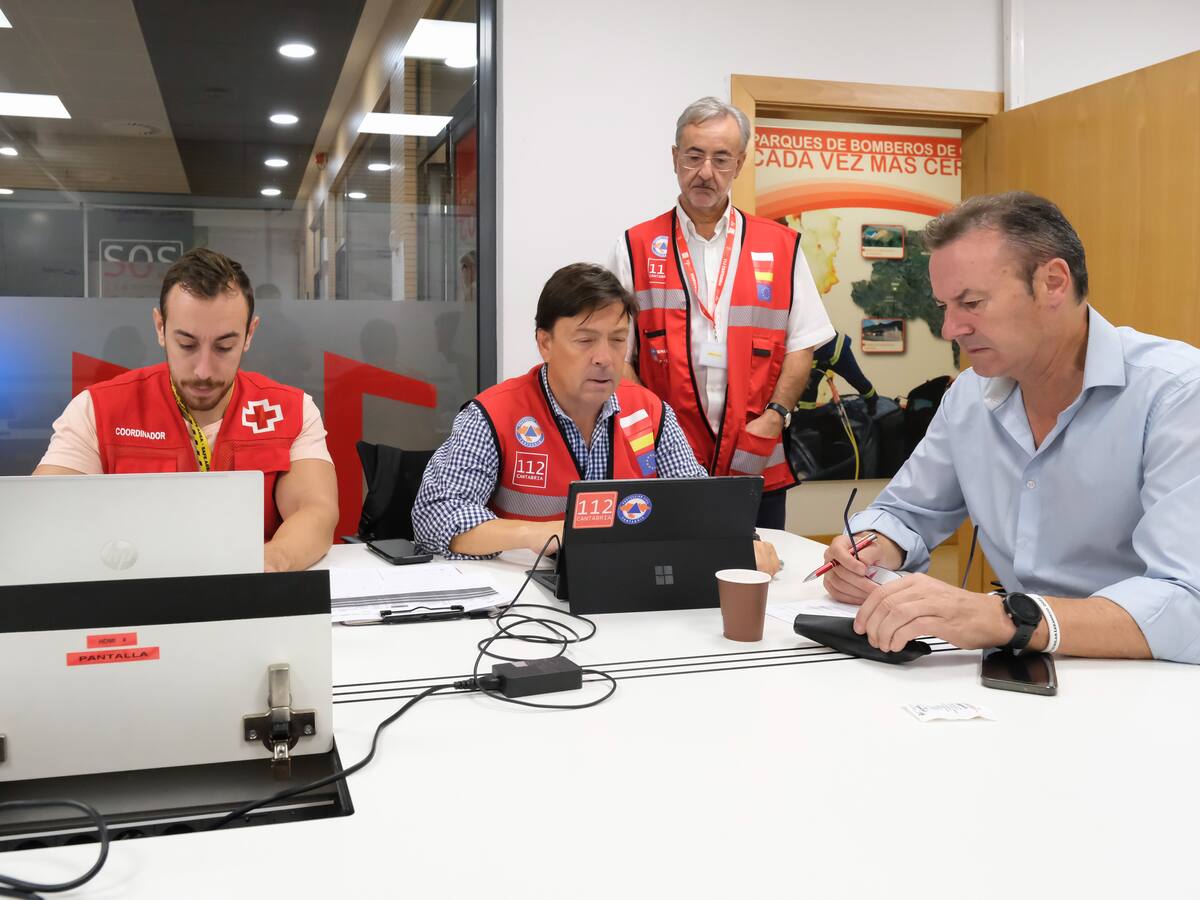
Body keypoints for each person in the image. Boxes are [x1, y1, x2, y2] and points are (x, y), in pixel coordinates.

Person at [821, 191, 1200, 663]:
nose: (950, 329)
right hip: (1024, 670)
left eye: (971, 302)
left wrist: (1009, 619)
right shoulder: (969, 398)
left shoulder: (1177, 393)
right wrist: (872, 548)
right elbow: (907, 511)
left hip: (1151, 687)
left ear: (1053, 283)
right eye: (944, 306)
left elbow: (1188, 602)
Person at [412, 263, 780, 573]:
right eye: (586, 340)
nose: (604, 357)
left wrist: (740, 543)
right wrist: (532, 534)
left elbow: (699, 504)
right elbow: (434, 516)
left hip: (630, 590)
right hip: (524, 596)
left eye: (618, 340)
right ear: (545, 343)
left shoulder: (649, 412)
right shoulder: (494, 415)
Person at [34, 248, 338, 572]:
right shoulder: (97, 410)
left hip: (251, 598)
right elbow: (45, 515)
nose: (203, 370)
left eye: (224, 346)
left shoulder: (291, 410)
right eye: (187, 344)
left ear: (249, 334)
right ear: (160, 327)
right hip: (134, 600)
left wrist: (267, 563)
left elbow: (315, 511)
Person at [611, 97, 835, 529]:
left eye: (721, 159)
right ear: (675, 158)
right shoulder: (635, 246)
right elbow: (618, 354)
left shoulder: (781, 246)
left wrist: (777, 416)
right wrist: (651, 429)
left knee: (758, 575)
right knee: (670, 580)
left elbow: (802, 342)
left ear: (740, 164)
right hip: (663, 458)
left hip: (755, 453)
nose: (706, 172)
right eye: (694, 156)